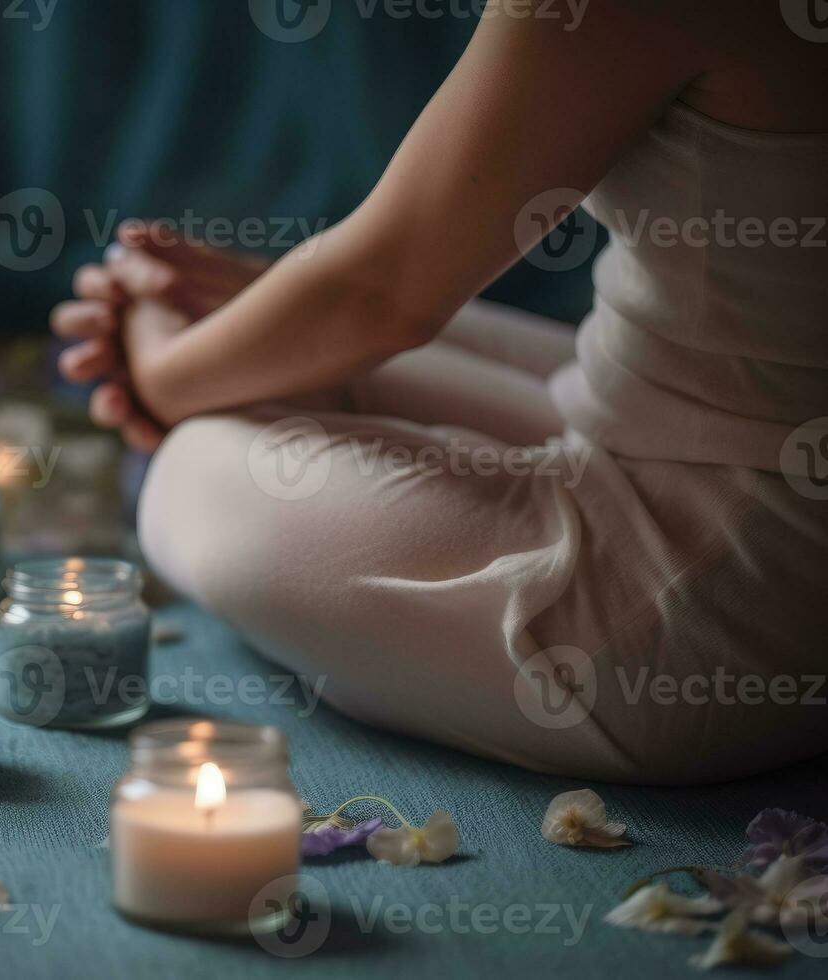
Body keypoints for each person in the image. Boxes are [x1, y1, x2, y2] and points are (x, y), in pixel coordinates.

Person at [50, 1, 828, 785]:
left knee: (193, 465)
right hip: (716, 430)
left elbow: (381, 296)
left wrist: (155, 367)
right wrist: (263, 309)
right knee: (302, 355)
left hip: (731, 596)